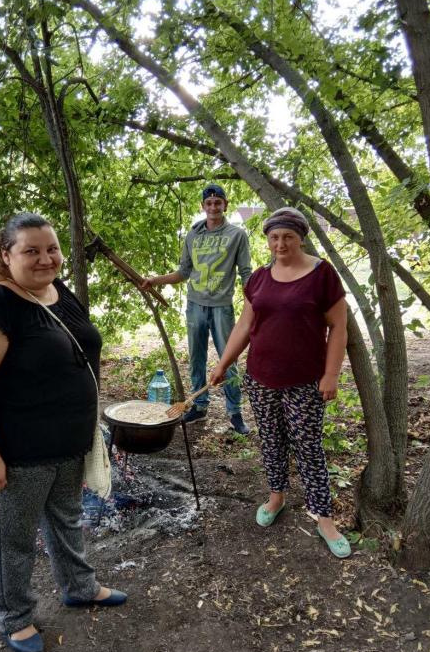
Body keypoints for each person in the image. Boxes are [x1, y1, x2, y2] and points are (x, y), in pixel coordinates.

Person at [0, 213, 127, 652]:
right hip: (18, 453)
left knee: (66, 519)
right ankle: (14, 617)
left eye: (52, 249)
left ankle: (79, 587)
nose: (45, 259)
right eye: (31, 251)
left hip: (69, 443)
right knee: (13, 540)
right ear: (6, 255)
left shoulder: (56, 291)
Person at [210, 207, 351, 559]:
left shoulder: (321, 274)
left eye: (288, 236)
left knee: (308, 447)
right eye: (274, 237)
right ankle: (276, 498)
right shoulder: (259, 278)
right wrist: (224, 363)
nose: (280, 243)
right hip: (261, 379)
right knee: (271, 441)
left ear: (300, 237)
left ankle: (324, 518)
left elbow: (338, 327)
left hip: (305, 381)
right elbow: (244, 326)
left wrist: (331, 374)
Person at [142, 184, 252, 434]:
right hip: (195, 306)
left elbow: (246, 273)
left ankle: (235, 412)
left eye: (218, 202)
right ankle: (199, 406)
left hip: (222, 306)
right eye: (209, 203)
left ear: (225, 205)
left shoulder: (237, 235)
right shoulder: (193, 236)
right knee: (196, 359)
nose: (213, 207)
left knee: (228, 358)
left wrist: (254, 300)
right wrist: (155, 281)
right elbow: (183, 272)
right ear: (203, 206)